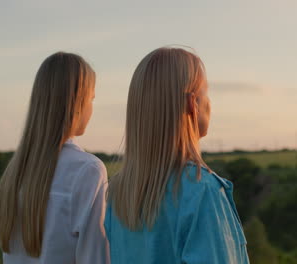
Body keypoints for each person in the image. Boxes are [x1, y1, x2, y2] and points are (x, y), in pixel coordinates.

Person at [105, 47, 250, 263]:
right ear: (192, 104)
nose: (210, 103)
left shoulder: (118, 193)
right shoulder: (202, 191)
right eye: (206, 93)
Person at [0, 52, 110, 264]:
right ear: (77, 101)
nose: (92, 108)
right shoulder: (87, 170)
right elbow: (96, 258)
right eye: (91, 98)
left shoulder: (15, 171)